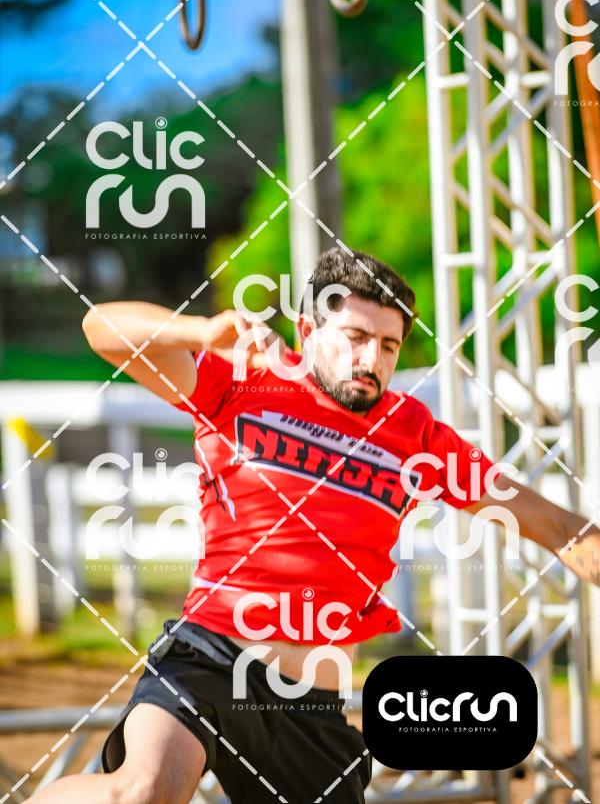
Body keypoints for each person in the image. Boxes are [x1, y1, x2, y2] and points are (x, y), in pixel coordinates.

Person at [28, 248, 600, 804]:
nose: (371, 359)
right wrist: (200, 330)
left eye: (388, 345)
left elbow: (555, 525)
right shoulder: (239, 381)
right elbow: (100, 329)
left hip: (312, 706)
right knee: (146, 789)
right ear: (307, 329)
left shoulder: (416, 436)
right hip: (210, 659)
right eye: (355, 336)